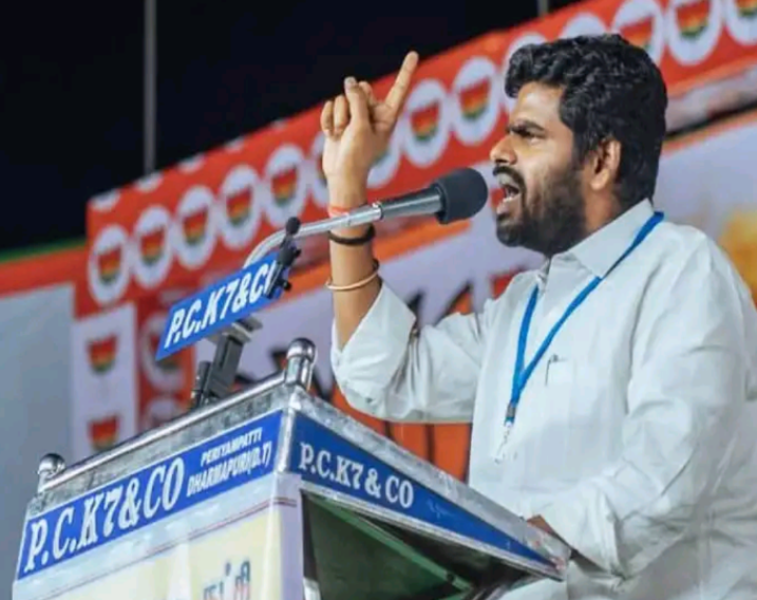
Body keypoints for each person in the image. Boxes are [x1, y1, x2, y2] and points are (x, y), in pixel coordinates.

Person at [320, 34, 757, 599]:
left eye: (527, 134)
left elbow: (661, 481)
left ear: (601, 161)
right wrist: (347, 192)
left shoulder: (681, 272)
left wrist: (501, 556)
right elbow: (382, 373)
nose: (498, 152)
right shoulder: (523, 306)